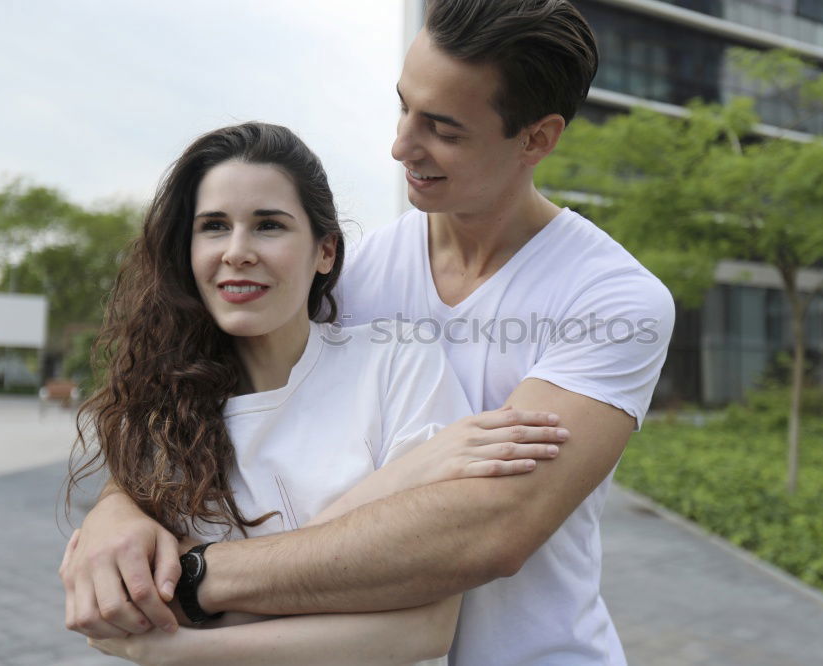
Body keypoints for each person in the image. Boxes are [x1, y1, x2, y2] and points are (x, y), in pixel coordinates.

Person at [63, 1, 676, 663]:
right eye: (404, 107)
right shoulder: (351, 276)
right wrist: (120, 508)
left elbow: (490, 529)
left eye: (442, 128)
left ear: (536, 139)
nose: (401, 146)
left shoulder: (612, 298)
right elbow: (198, 405)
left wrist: (193, 579)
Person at [63, 121, 569, 665]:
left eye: (268, 226)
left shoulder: (395, 360)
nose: (237, 251)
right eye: (213, 226)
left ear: (325, 251)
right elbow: (149, 608)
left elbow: (426, 625)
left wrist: (178, 648)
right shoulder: (162, 415)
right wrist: (401, 479)